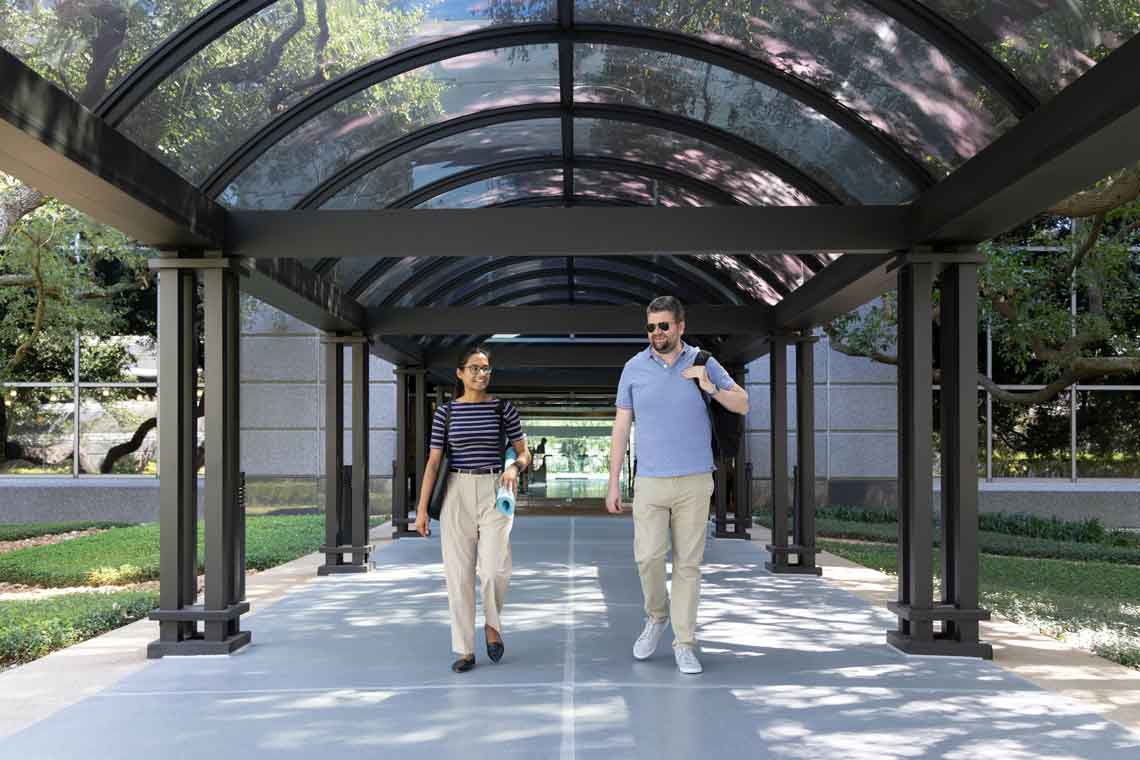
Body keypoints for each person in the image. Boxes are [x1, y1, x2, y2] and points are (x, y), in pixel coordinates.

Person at [605, 296, 750, 674]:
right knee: (648, 557)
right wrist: (613, 481)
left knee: (688, 565)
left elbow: (743, 404)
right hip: (650, 481)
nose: (656, 332)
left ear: (681, 326)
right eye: (651, 327)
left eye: (664, 326)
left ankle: (684, 643)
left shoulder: (703, 361)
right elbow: (621, 427)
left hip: (695, 480)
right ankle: (656, 616)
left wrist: (709, 386)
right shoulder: (634, 368)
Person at [415, 345, 530, 673]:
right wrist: (421, 510)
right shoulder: (446, 413)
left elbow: (525, 453)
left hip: (496, 489)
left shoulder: (503, 409)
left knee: (494, 569)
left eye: (485, 368)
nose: (481, 374)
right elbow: (433, 462)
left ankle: (492, 626)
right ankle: (465, 649)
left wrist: (514, 467)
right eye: (474, 368)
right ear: (460, 373)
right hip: (456, 491)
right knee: (459, 575)